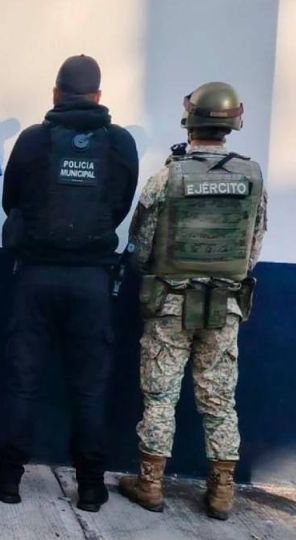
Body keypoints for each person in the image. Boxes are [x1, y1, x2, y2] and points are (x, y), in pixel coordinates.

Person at [0, 55, 138, 512]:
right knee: (89, 387)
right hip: (92, 280)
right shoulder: (120, 143)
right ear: (98, 95)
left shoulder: (33, 140)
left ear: (56, 94)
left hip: (36, 276)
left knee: (22, 382)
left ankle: (9, 478)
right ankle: (90, 486)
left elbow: (12, 200)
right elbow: (120, 205)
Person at [118, 82, 267, 521]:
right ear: (233, 123)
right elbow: (252, 250)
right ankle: (221, 491)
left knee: (160, 396)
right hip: (225, 306)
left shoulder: (167, 177)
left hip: (170, 304)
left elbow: (141, 246)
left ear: (190, 121)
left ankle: (150, 483)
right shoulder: (252, 177)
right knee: (219, 398)